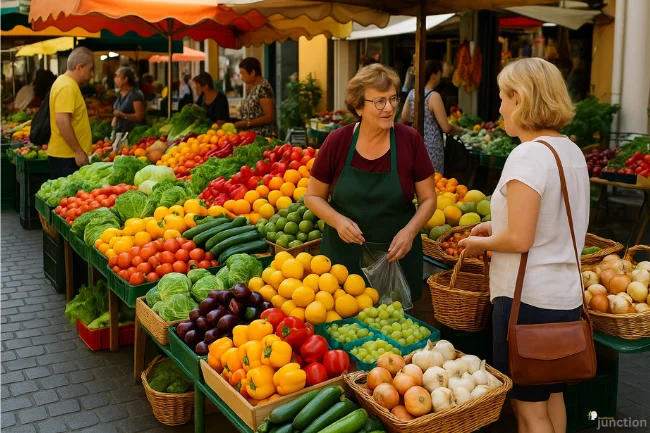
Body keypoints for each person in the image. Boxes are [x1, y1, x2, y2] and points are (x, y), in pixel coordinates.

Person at [458, 58, 587, 433]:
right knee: (553, 399)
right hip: (565, 300)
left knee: (529, 412)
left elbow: (520, 239)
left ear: (521, 98)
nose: (499, 108)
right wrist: (493, 226)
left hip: (527, 304)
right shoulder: (570, 151)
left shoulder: (528, 155)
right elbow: (550, 221)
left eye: (502, 97)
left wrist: (477, 244)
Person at [305, 64, 437, 301]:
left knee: (396, 331)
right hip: (342, 263)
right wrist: (337, 221)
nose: (389, 108)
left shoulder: (410, 141)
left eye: (393, 99)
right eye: (379, 101)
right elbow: (313, 196)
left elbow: (428, 199)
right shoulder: (338, 141)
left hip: (397, 258)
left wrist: (410, 231)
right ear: (358, 106)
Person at [401, 60, 463, 173]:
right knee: (434, 182)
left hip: (414, 143)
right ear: (434, 75)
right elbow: (446, 128)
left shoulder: (413, 93)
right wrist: (459, 130)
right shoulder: (434, 96)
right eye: (440, 74)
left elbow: (405, 118)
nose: (440, 77)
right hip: (431, 147)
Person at [48, 47, 94, 178]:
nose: (92, 75)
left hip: (67, 156)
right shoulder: (67, 86)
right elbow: (62, 121)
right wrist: (78, 151)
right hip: (67, 157)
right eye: (90, 69)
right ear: (79, 67)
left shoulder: (64, 82)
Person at [234, 57, 277, 137]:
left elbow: (269, 116)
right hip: (251, 136)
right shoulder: (254, 87)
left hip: (262, 137)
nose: (241, 77)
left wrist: (247, 123)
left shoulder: (263, 88)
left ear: (253, 72)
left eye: (243, 73)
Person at [112, 66, 145, 139]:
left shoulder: (135, 94)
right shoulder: (120, 93)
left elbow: (139, 116)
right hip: (120, 133)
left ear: (125, 79)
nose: (115, 79)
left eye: (117, 76)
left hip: (132, 135)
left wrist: (121, 114)